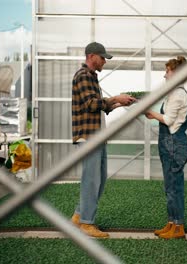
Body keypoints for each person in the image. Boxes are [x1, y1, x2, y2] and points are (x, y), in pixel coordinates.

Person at [71, 42, 136, 238]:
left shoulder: (91, 78)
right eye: (103, 58)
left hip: (96, 136)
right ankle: (86, 223)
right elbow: (91, 104)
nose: (105, 62)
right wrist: (115, 97)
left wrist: (119, 102)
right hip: (89, 137)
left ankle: (78, 217)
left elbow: (101, 107)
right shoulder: (83, 76)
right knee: (91, 181)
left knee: (98, 180)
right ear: (91, 56)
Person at [145, 56, 187, 239]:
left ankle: (178, 227)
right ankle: (171, 222)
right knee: (169, 187)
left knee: (174, 188)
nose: (165, 75)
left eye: (168, 71)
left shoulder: (179, 94)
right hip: (168, 143)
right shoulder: (173, 93)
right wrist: (153, 114)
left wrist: (150, 113)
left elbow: (169, 120)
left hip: (174, 144)